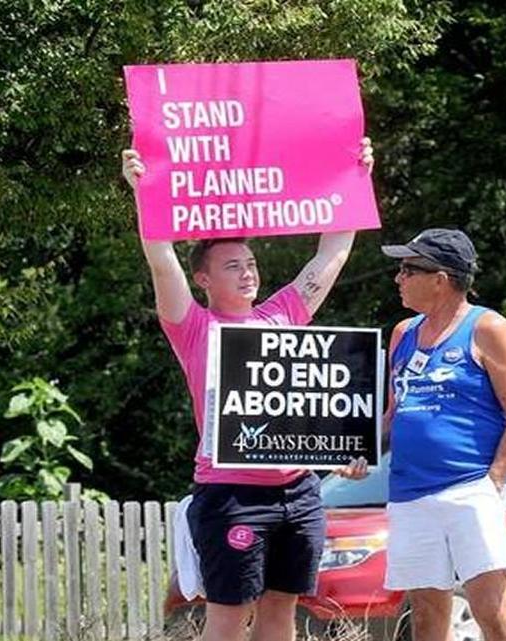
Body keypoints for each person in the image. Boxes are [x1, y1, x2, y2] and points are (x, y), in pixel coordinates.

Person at [121, 140, 372, 641]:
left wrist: (355, 175)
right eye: (233, 265)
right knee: (230, 618)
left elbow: (334, 250)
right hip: (231, 497)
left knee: (281, 613)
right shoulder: (191, 326)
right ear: (203, 280)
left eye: (251, 262)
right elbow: (159, 258)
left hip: (300, 493)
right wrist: (144, 189)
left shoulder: (284, 312)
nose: (248, 271)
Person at [366, 228, 506, 641]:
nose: (398, 278)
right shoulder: (404, 333)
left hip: (468, 487)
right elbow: (393, 414)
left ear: (440, 279)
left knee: (489, 609)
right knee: (424, 615)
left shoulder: (488, 328)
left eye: (407, 269)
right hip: (409, 494)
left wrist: (491, 483)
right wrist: (356, 448)